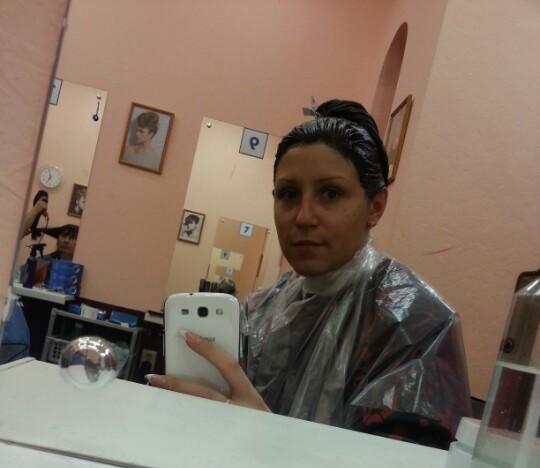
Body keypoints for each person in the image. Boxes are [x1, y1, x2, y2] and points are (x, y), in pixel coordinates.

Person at [148, 99, 471, 449]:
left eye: (330, 193)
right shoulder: (261, 309)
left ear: (375, 207)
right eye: (288, 194)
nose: (303, 217)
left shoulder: (416, 325)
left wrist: (261, 435)